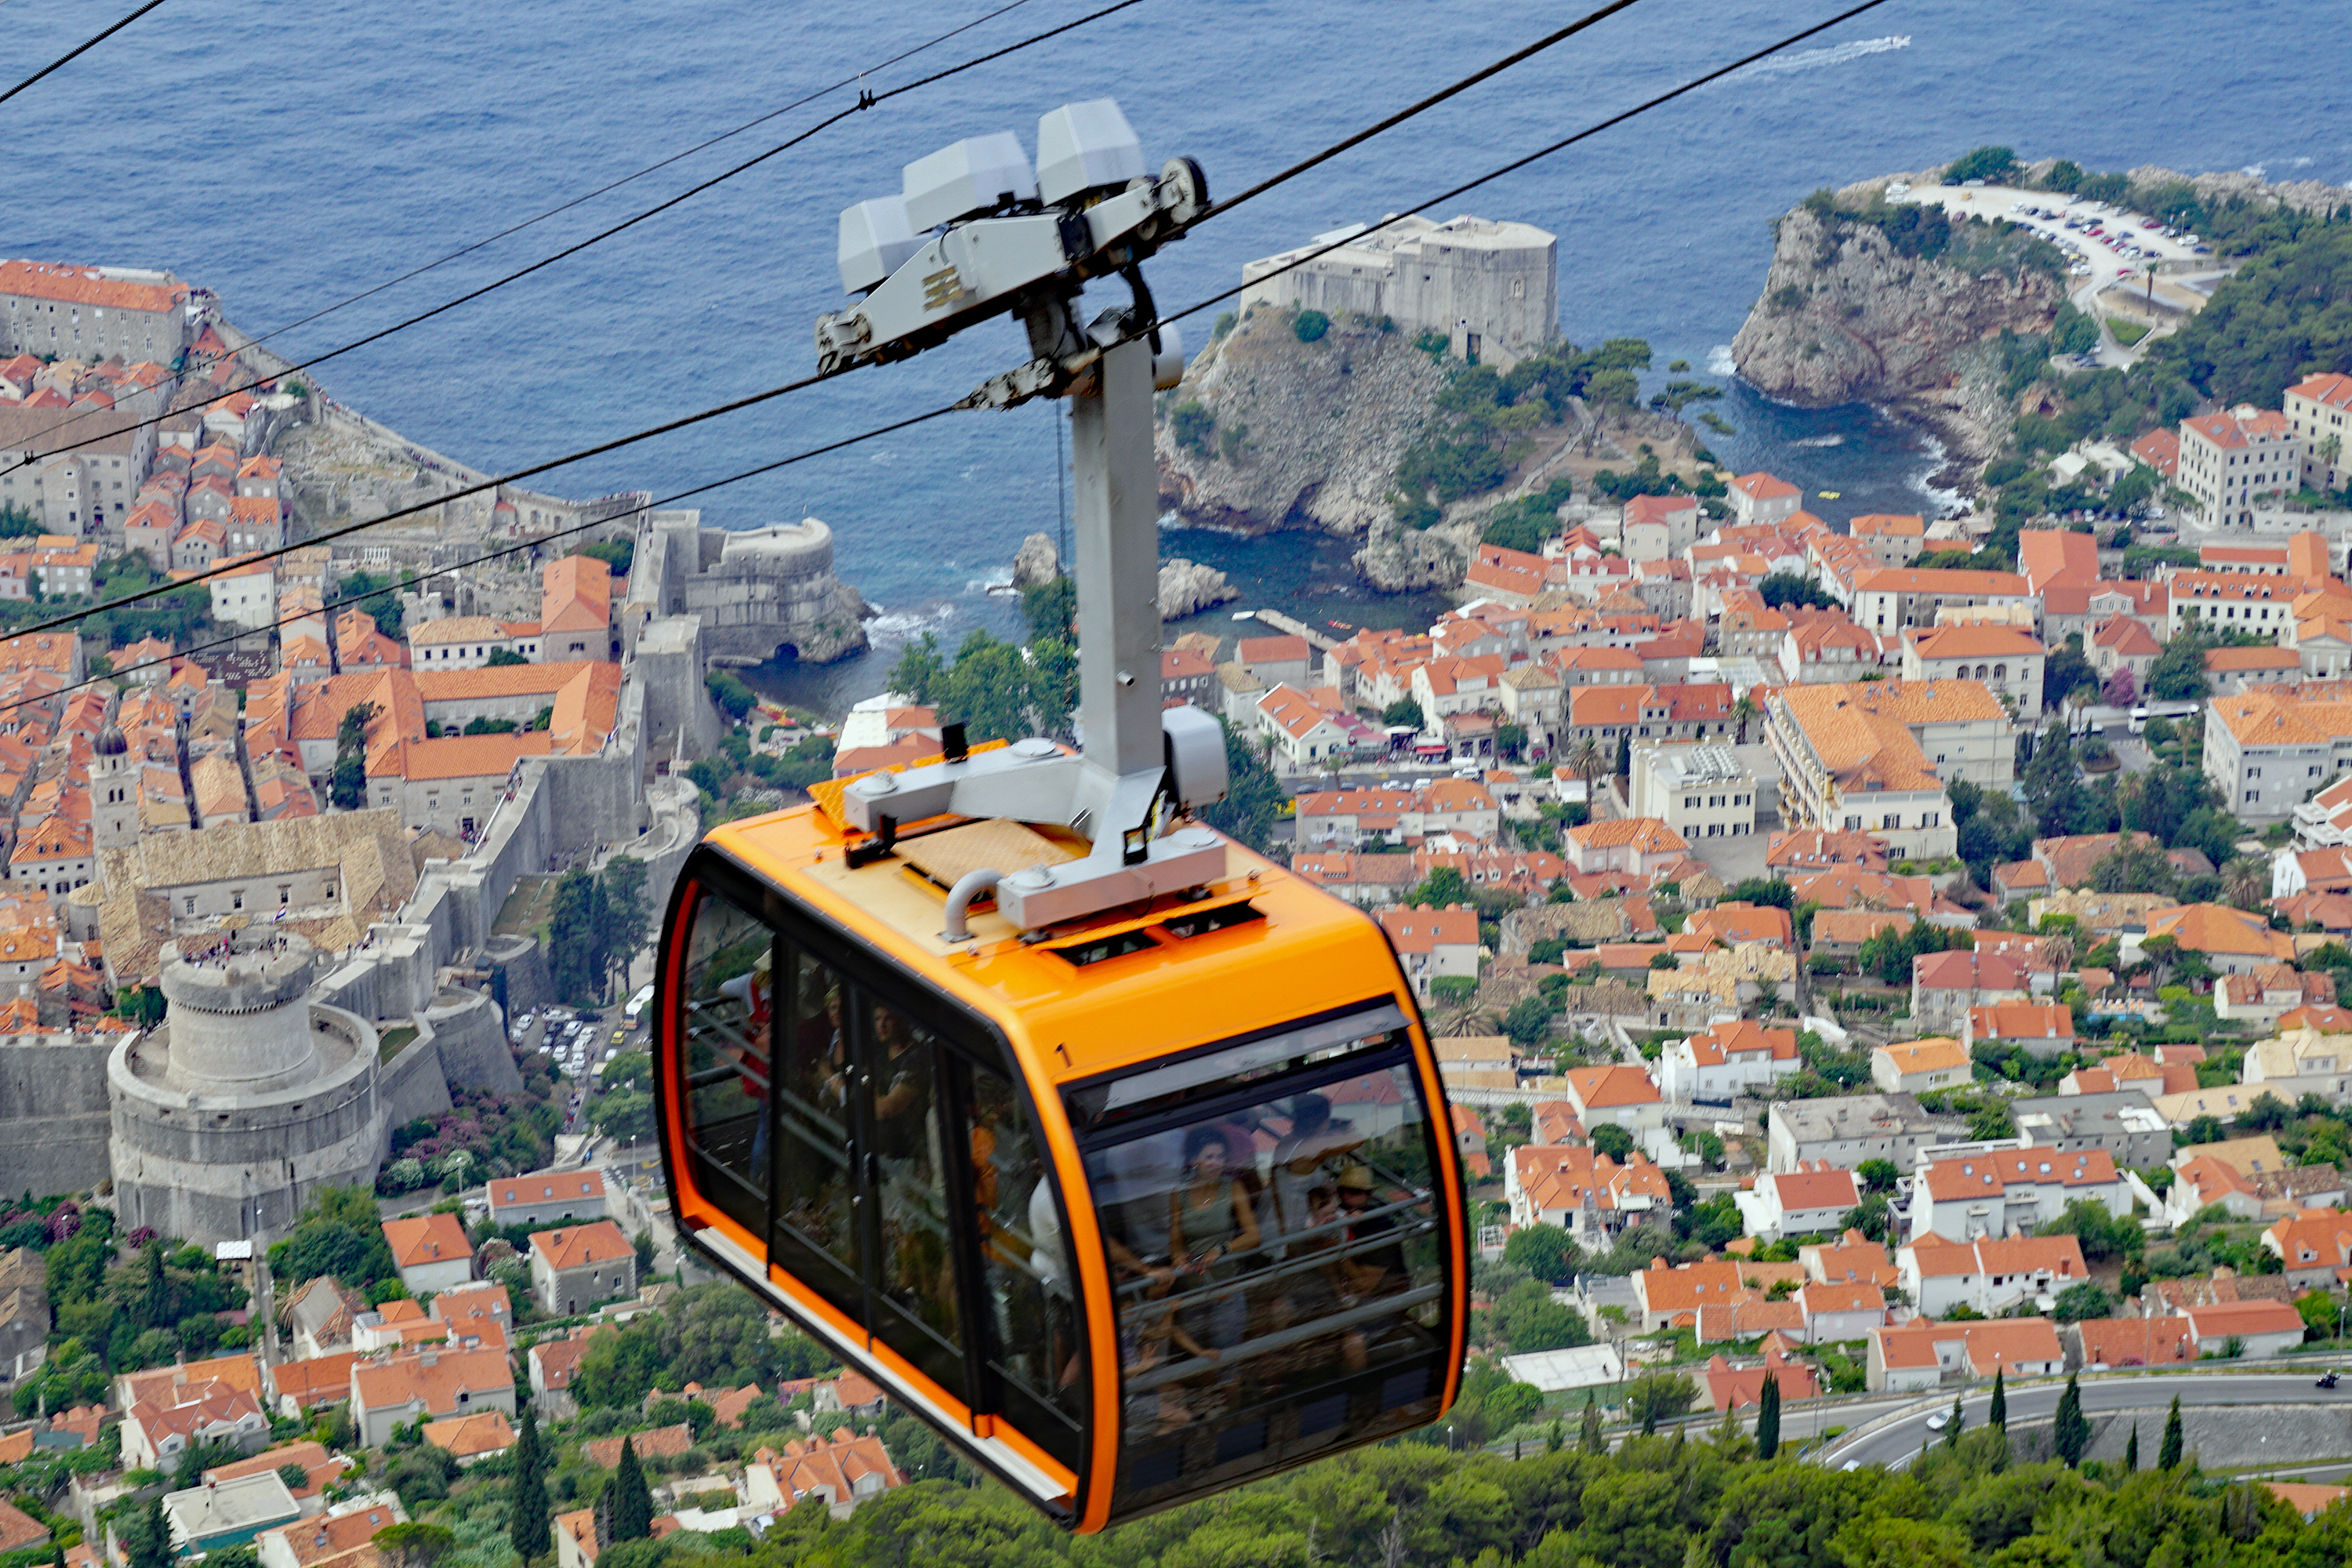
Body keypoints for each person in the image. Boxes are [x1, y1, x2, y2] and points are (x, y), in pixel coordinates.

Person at [1168, 1124, 1261, 1353]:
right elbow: (1176, 1238)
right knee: (1198, 1360)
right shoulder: (1179, 1193)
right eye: (1209, 1157)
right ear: (1193, 1160)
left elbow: (1253, 1236)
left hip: (1226, 1291)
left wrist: (1221, 1250)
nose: (1216, 1163)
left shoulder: (1233, 1188)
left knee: (1226, 1360)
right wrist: (1177, 1255)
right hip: (1192, 1294)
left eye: (1220, 1157)